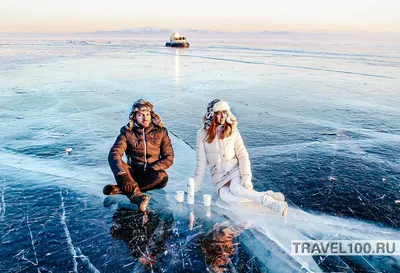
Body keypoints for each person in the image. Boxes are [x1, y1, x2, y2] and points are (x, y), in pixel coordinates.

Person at [192, 99, 288, 216]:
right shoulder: (202, 134)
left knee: (236, 189)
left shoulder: (233, 130)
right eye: (218, 112)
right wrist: (195, 186)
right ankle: (268, 194)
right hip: (218, 177)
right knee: (226, 196)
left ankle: (269, 202)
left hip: (234, 170)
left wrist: (246, 177)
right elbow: (201, 162)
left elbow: (243, 155)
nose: (222, 116)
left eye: (224, 112)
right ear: (211, 115)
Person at [104, 99, 174, 212]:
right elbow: (114, 154)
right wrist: (123, 174)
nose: (145, 118)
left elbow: (169, 158)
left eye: (147, 114)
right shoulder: (127, 132)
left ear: (152, 115)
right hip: (132, 173)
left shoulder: (161, 132)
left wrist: (152, 168)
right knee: (117, 162)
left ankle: (120, 189)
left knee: (162, 177)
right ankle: (136, 197)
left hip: (151, 174)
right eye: (141, 115)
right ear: (134, 116)